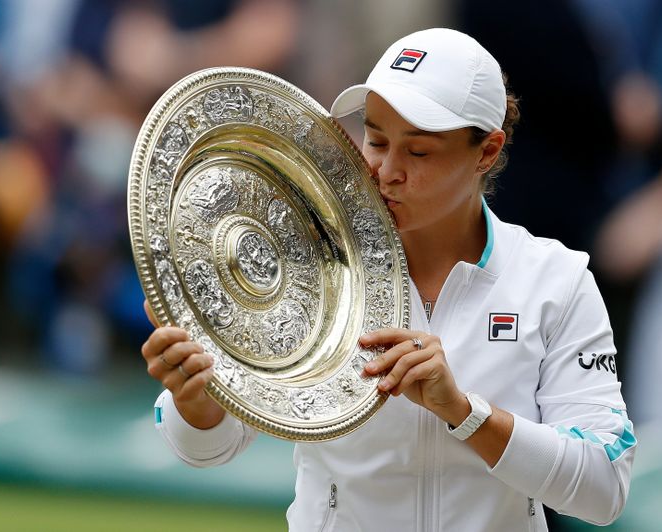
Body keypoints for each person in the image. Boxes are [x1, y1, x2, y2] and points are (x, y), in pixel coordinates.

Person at [141, 28, 636, 530]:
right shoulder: (306, 265)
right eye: (376, 139)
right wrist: (197, 398)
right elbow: (204, 449)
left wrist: (465, 412)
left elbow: (604, 488)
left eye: (418, 152)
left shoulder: (556, 278)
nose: (386, 170)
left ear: (487, 152)